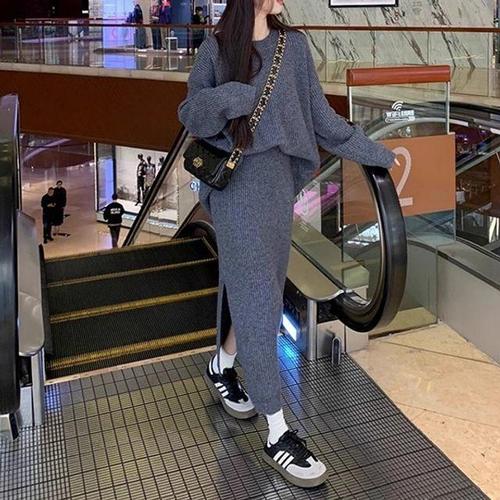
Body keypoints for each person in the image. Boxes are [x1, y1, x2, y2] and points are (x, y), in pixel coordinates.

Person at [178, 0, 397, 489]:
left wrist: (376, 153)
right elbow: (192, 114)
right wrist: (232, 96)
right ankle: (277, 429)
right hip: (235, 192)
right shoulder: (216, 49)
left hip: (277, 189)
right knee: (259, 296)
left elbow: (321, 118)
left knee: (262, 293)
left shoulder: (292, 48)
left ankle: (222, 364)